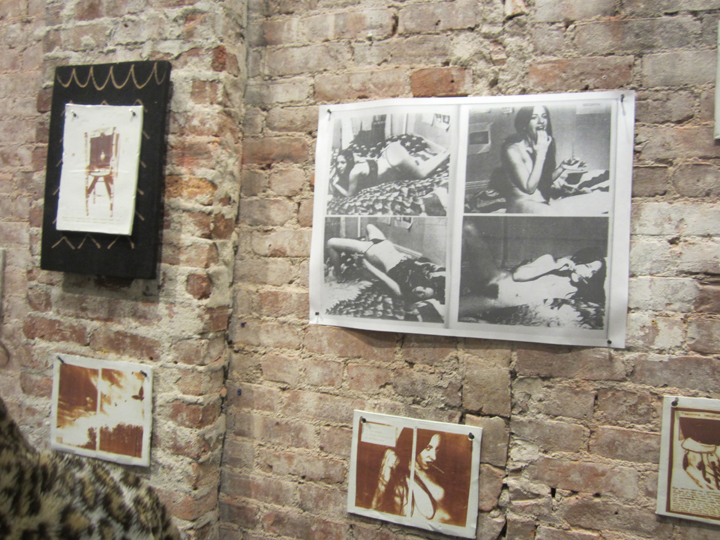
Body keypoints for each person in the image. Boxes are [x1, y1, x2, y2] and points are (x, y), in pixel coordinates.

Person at [459, 222, 606, 320]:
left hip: (495, 300)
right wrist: (554, 266)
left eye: (593, 274)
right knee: (469, 228)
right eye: (588, 267)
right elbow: (518, 275)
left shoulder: (574, 293)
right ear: (579, 261)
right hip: (496, 279)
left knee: (453, 311)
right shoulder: (549, 261)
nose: (588, 274)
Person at [499, 105, 608, 215]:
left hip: (543, 202)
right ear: (524, 124)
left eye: (544, 116)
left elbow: (542, 182)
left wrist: (562, 167)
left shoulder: (544, 144)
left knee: (598, 202)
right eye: (534, 117)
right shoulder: (512, 150)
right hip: (522, 204)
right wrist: (541, 153)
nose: (541, 121)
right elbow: (529, 188)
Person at [326, 223, 445, 303]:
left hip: (372, 251)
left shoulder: (402, 292)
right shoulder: (418, 277)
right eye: (424, 288)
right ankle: (360, 244)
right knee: (369, 226)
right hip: (384, 244)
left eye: (422, 295)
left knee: (331, 243)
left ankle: (339, 276)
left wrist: (365, 263)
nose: (419, 291)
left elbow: (383, 277)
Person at [371, 431, 451, 522]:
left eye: (437, 449)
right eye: (428, 448)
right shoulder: (397, 468)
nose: (434, 457)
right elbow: (376, 504)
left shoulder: (430, 472)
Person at [332, 140, 450, 198]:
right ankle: (444, 153)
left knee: (422, 175)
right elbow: (371, 159)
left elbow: (349, 195)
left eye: (342, 162)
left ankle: (448, 154)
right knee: (418, 170)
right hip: (390, 150)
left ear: (349, 160)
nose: (339, 166)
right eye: (337, 163)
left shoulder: (354, 172)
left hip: (393, 160)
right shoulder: (358, 160)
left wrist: (335, 184)